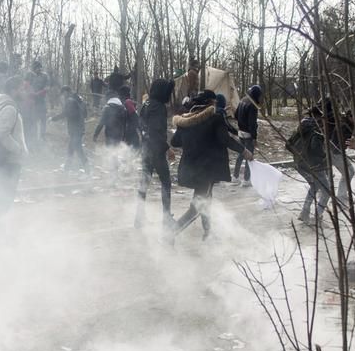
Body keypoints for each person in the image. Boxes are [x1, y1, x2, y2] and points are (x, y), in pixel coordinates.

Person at [170, 90, 253, 241]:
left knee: (205, 200)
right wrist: (244, 150)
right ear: (211, 103)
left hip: (190, 168)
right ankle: (170, 233)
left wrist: (192, 137)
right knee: (198, 206)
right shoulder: (215, 119)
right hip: (206, 169)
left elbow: (175, 142)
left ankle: (208, 233)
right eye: (214, 102)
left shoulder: (186, 120)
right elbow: (225, 140)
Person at [135, 78, 175, 231]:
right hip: (156, 150)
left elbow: (140, 126)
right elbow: (155, 132)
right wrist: (168, 148)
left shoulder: (146, 104)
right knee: (166, 183)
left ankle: (139, 218)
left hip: (146, 149)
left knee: (144, 183)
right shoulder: (158, 107)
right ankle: (166, 218)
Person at [0, 77, 29, 220]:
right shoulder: (9, 108)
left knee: (3, 194)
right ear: (13, 90)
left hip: (6, 158)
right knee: (5, 196)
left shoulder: (5, 105)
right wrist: (19, 149)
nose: (24, 92)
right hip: (10, 160)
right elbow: (2, 134)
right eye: (22, 89)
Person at [290, 107, 331, 223]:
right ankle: (317, 215)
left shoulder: (302, 125)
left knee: (314, 186)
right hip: (314, 165)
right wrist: (325, 156)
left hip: (300, 162)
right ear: (318, 117)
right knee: (327, 191)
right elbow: (315, 148)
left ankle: (304, 212)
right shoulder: (315, 128)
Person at [51, 85, 88, 173]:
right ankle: (67, 169)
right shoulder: (80, 99)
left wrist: (53, 119)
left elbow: (65, 113)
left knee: (78, 150)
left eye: (63, 94)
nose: (63, 97)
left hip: (75, 129)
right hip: (79, 128)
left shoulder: (70, 100)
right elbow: (85, 114)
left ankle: (88, 171)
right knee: (71, 149)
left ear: (66, 92)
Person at [93, 93, 128, 182]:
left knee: (112, 154)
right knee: (115, 153)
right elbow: (125, 124)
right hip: (119, 135)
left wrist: (95, 134)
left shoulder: (107, 108)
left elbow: (101, 123)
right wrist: (124, 135)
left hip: (110, 135)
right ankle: (116, 174)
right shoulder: (123, 108)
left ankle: (113, 175)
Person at [234, 85, 262, 185]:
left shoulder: (243, 100)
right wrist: (254, 137)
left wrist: (241, 123)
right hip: (248, 134)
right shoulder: (252, 105)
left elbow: (235, 115)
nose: (260, 98)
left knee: (241, 153)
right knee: (249, 156)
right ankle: (246, 179)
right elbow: (252, 123)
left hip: (240, 132)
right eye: (259, 96)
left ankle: (235, 177)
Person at [25, 60, 50, 144]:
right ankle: (34, 138)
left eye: (39, 67)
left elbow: (47, 88)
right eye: (36, 68)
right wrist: (30, 93)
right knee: (33, 120)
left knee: (43, 119)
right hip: (32, 101)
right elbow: (25, 85)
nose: (38, 69)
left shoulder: (45, 76)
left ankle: (42, 136)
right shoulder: (29, 75)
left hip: (41, 100)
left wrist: (38, 93)